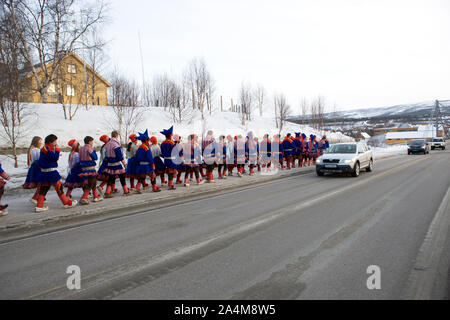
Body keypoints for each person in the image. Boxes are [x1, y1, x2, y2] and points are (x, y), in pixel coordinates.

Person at [35, 134, 77, 212]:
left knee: (44, 189)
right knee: (59, 187)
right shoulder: (46, 149)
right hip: (51, 172)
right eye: (55, 141)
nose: (56, 143)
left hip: (45, 172)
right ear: (51, 142)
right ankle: (66, 203)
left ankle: (39, 205)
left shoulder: (45, 148)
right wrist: (57, 150)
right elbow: (54, 158)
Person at [103, 131, 130, 198]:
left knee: (111, 178)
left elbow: (105, 154)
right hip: (117, 164)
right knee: (122, 177)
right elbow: (119, 155)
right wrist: (124, 163)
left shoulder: (108, 144)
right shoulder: (115, 144)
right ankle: (125, 190)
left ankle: (107, 192)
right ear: (117, 136)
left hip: (110, 164)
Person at [79, 136, 102, 204]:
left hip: (84, 168)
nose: (93, 143)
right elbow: (95, 157)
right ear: (89, 141)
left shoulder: (81, 149)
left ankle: (95, 197)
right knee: (91, 183)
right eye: (92, 141)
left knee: (93, 182)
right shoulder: (89, 148)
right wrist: (94, 151)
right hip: (90, 168)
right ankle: (84, 197)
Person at [23, 136, 43, 204]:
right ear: (36, 141)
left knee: (41, 184)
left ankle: (42, 198)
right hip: (36, 168)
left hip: (33, 167)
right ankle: (35, 198)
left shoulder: (31, 148)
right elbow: (37, 159)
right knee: (41, 183)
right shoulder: (35, 150)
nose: (41, 143)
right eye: (40, 141)